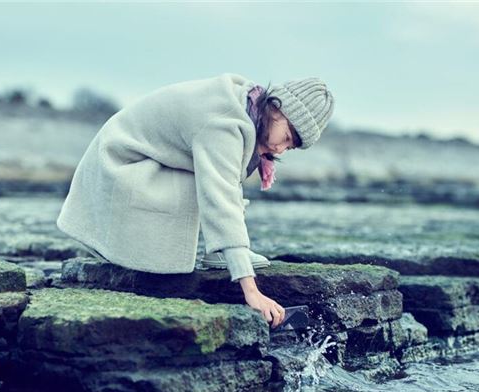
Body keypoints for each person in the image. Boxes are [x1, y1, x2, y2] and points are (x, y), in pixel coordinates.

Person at [56, 72, 335, 328]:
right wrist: (251, 289)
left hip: (131, 171)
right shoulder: (224, 122)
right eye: (285, 137)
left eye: (289, 147)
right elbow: (220, 195)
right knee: (209, 183)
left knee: (213, 175)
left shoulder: (246, 103)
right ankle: (219, 251)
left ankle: (219, 251)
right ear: (276, 107)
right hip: (118, 170)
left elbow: (227, 176)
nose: (280, 149)